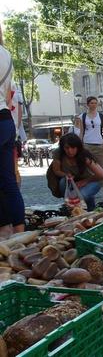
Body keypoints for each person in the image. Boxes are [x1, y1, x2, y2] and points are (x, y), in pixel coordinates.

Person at [0, 25, 25, 233]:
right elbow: (9, 96)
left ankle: (3, 229)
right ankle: (18, 231)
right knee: (8, 180)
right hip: (6, 120)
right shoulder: (6, 54)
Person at [50, 133, 103, 211]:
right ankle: (73, 208)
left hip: (93, 180)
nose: (70, 151)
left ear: (78, 147)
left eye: (73, 148)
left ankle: (85, 207)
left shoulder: (84, 155)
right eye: (67, 148)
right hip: (72, 181)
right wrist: (66, 175)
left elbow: (102, 175)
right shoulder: (58, 153)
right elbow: (56, 170)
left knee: (81, 196)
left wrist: (85, 181)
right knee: (63, 181)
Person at [79, 96, 103, 196]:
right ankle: (89, 187)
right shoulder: (82, 117)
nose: (94, 105)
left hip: (99, 145)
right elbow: (81, 132)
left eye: (95, 103)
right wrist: (80, 145)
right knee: (87, 168)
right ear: (88, 104)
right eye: (92, 103)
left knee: (102, 167)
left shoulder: (101, 116)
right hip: (86, 145)